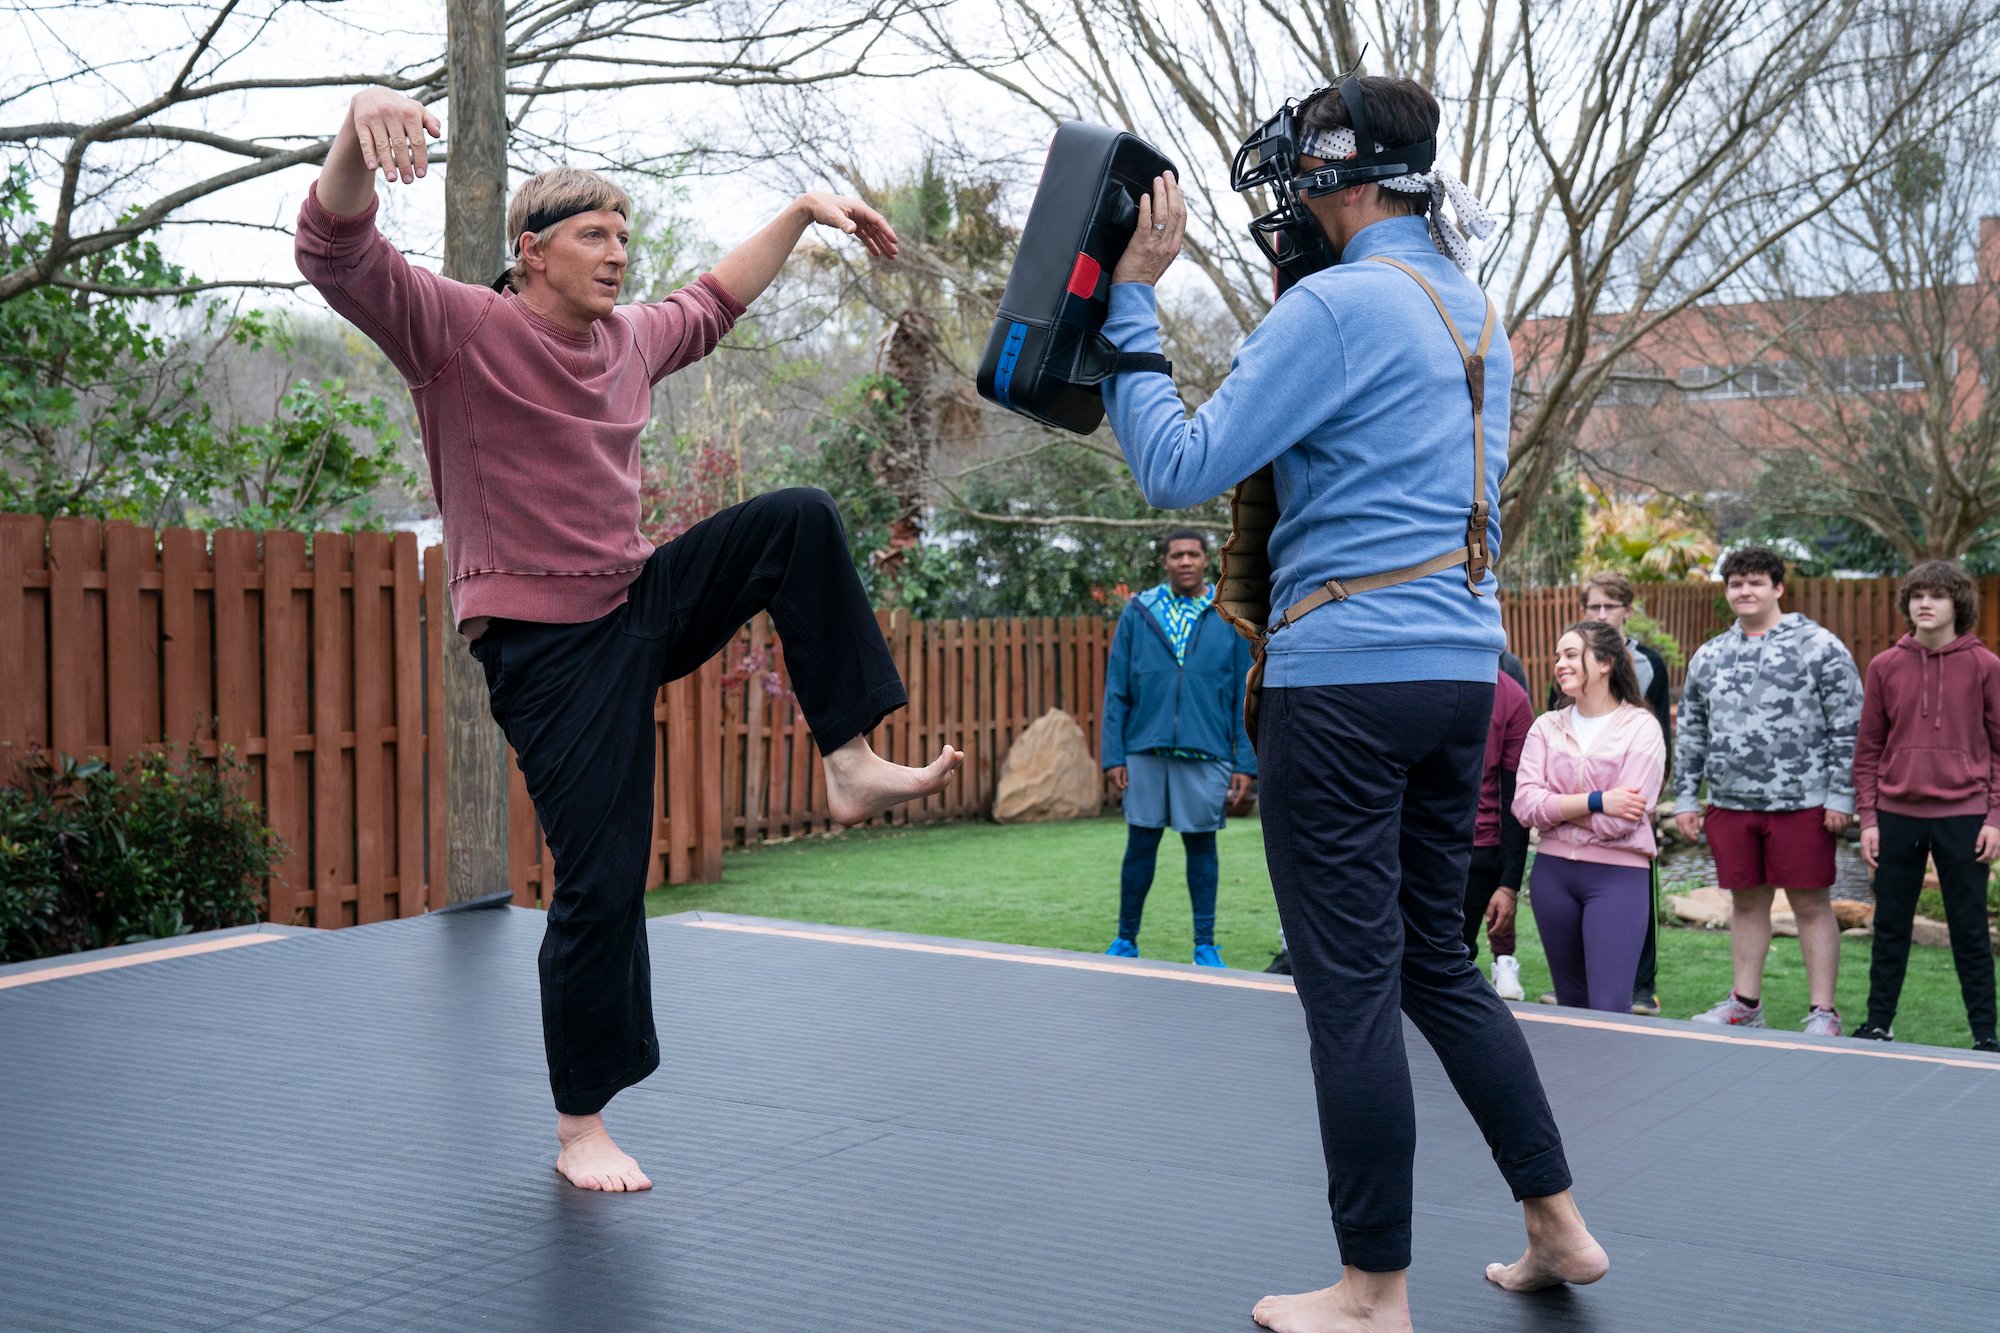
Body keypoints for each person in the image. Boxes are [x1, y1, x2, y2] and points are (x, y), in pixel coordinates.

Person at [295, 88, 963, 1193]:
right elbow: (334, 251)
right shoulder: (458, 331)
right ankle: (580, 1128)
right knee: (602, 880)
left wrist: (802, 211)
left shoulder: (628, 340)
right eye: (594, 236)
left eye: (624, 235)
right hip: (546, 652)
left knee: (796, 518)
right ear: (532, 250)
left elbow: (713, 299)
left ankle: (846, 757)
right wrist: (354, 130)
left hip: (636, 601)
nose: (617, 255)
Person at [1101, 73, 1606, 1333]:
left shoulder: (1333, 306)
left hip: (1343, 683)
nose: (1286, 185)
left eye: (1303, 162)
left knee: (1348, 987)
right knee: (1436, 962)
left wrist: (1130, 302)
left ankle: (1372, 1292)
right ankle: (1557, 1224)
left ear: (1346, 176)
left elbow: (1173, 462)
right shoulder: (1468, 308)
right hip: (1459, 674)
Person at [1675, 547, 1860, 1036]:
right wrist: (1687, 798)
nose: (1745, 591)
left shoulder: (1819, 647)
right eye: (1735, 583)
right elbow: (1691, 731)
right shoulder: (1710, 655)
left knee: (1811, 905)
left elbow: (1848, 727)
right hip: (1730, 802)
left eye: (1755, 582)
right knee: (1746, 904)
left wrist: (1841, 796)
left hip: (1803, 803)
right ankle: (1745, 1004)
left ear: (1778, 588)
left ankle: (1823, 1012)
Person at [1851, 560, 2000, 1050]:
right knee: (1889, 926)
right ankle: (1878, 1024)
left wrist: (1995, 818)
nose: (1925, 604)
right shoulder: (1885, 666)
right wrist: (1868, 818)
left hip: (1964, 815)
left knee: (1970, 929)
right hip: (1896, 814)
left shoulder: (1985, 666)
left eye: (1936, 595)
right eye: (1917, 595)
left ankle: (1985, 1035)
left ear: (1958, 603)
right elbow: (1868, 750)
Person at [1101, 528, 1257, 966]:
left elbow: (1243, 693)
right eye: (1177, 555)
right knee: (1140, 845)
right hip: (1144, 748)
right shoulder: (1139, 611)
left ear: (1206, 560)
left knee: (1201, 847)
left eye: (1192, 554)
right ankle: (1125, 940)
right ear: (1165, 562)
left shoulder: (1226, 614)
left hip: (1207, 750)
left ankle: (1205, 945)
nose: (1185, 561)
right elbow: (1116, 689)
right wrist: (1113, 755)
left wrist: (1244, 762)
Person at [1513, 623, 1667, 1012]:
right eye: (1557, 657)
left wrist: (1555, 810)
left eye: (1570, 655)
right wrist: (1597, 801)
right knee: (1570, 1005)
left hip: (1618, 878)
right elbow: (1524, 806)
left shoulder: (1642, 728)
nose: (1559, 664)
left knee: (1609, 1008)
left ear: (1605, 663)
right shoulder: (1546, 726)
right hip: (1552, 877)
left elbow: (1622, 821)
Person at [1469, 662, 1532, 1001]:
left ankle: (1504, 958)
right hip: (1415, 845)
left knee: (1448, 961)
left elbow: (1514, 797)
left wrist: (1508, 884)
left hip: (1478, 850)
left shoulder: (1510, 695)